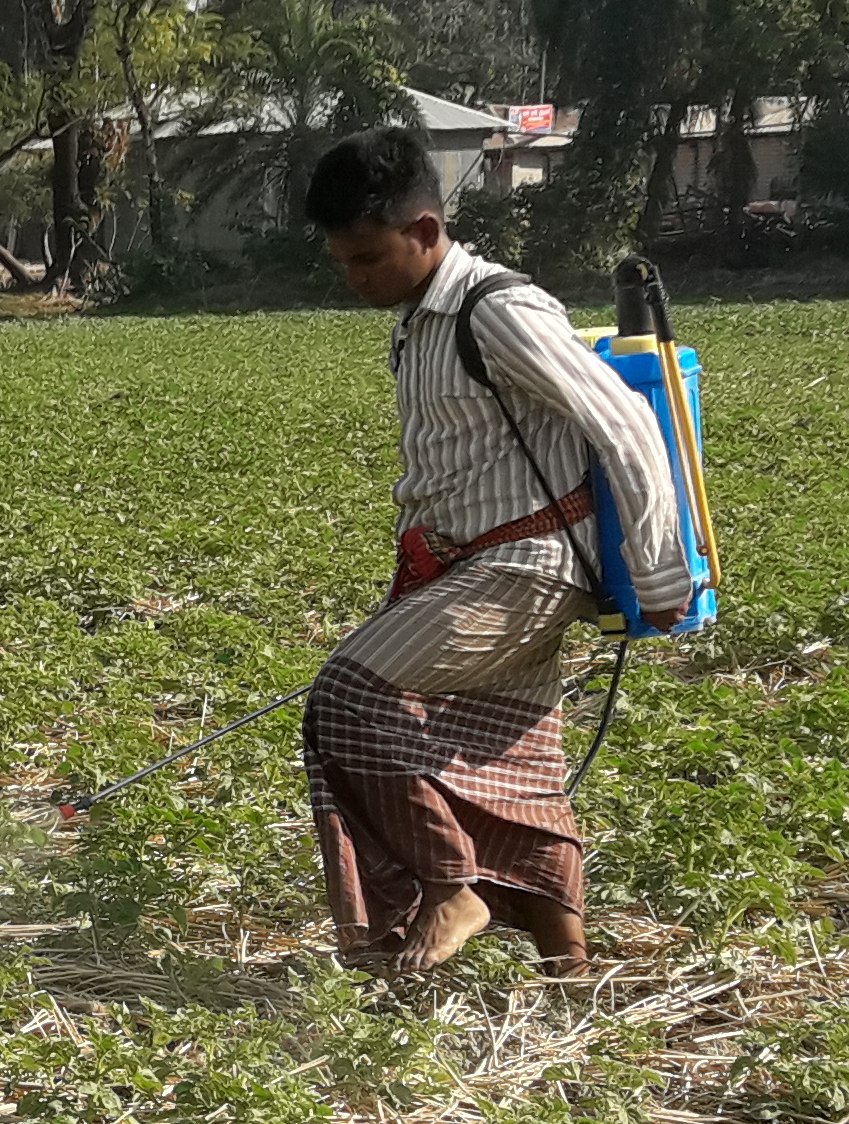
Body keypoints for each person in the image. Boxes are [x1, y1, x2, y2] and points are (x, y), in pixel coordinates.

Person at [294, 126, 689, 979]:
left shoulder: (499, 310)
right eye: (343, 262)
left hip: (527, 570)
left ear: (426, 231)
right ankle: (569, 965)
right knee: (515, 758)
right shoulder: (417, 323)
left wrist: (662, 572)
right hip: (465, 568)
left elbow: (623, 424)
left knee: (348, 698)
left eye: (367, 257)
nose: (355, 278)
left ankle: (450, 886)